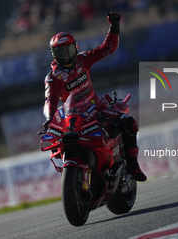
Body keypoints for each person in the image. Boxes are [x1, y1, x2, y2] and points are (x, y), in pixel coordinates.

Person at [42, 11, 147, 182]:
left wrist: (114, 27)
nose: (66, 57)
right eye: (60, 53)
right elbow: (49, 101)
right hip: (71, 115)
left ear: (75, 48)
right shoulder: (53, 78)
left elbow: (107, 49)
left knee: (129, 123)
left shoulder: (83, 59)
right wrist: (49, 119)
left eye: (68, 50)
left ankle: (133, 166)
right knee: (60, 141)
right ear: (54, 55)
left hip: (96, 106)